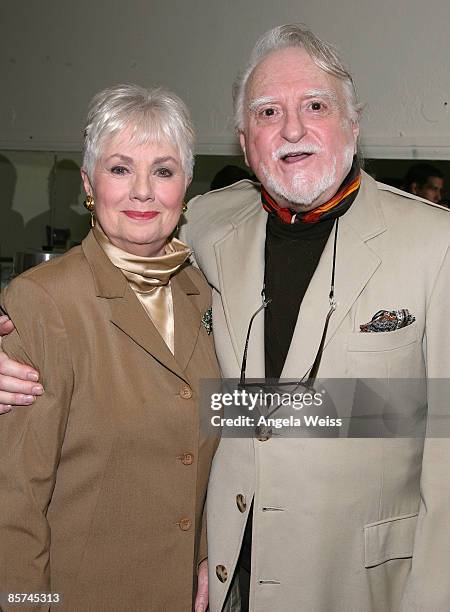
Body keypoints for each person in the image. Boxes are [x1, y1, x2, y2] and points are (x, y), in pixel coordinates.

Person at [2, 24, 450, 612]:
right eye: (268, 112)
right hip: (221, 578)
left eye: (315, 106)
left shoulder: (436, 243)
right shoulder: (208, 226)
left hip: (360, 584)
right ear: (244, 140)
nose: (292, 129)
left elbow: (430, 420)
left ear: (353, 122)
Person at [0, 84, 219, 611]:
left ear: (185, 187)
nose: (142, 191)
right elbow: (13, 501)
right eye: (120, 169)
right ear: (88, 184)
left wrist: (213, 553)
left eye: (163, 171)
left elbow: (224, 436)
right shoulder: (43, 302)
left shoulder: (205, 294)